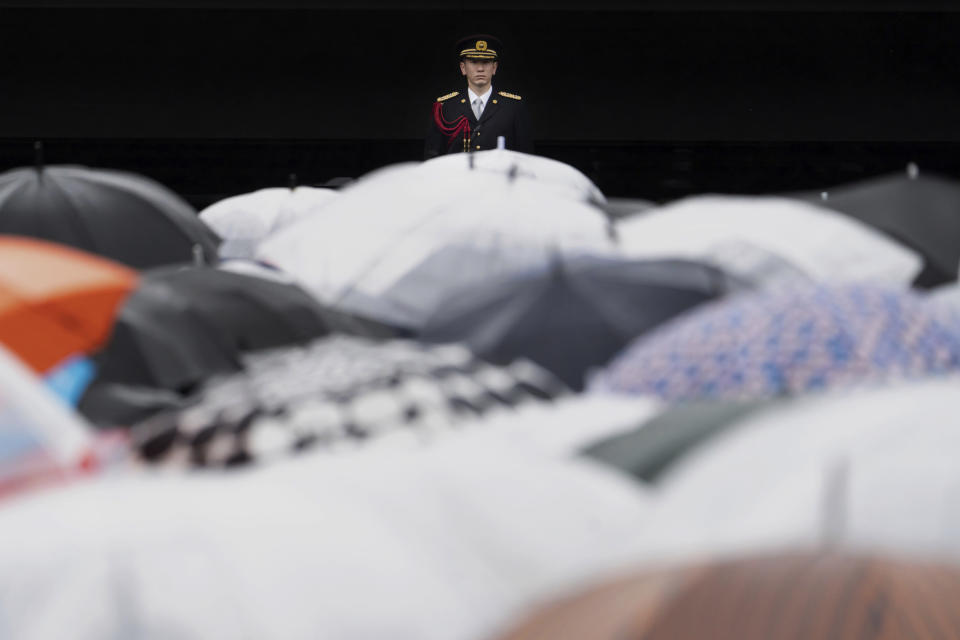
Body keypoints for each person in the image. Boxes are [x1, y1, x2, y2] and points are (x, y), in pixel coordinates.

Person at [424, 35, 533, 159]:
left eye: (486, 62)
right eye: (474, 62)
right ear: (463, 68)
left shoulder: (513, 107)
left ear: (494, 67)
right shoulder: (445, 107)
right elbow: (432, 157)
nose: (480, 69)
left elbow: (526, 158)